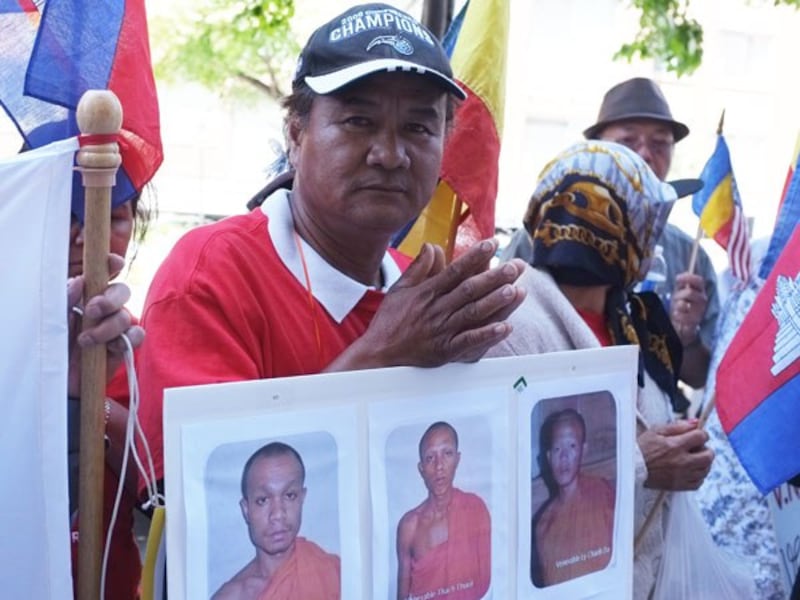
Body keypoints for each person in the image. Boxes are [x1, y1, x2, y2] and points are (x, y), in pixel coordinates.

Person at [137, 3, 526, 500]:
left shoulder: (428, 292)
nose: (390, 155)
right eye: (359, 120)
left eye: (419, 128)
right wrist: (385, 356)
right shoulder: (210, 273)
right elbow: (211, 504)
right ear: (296, 134)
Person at [488, 140, 715, 598]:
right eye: (650, 218)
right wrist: (639, 464)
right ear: (612, 227)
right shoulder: (508, 328)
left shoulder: (634, 320)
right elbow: (495, 485)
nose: (657, 236)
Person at [501, 76, 720, 397]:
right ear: (597, 146)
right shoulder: (538, 237)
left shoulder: (691, 256)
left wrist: (685, 336)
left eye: (660, 144)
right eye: (628, 142)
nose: (645, 155)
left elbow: (701, 377)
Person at [67, 189, 152, 600]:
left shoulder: (130, 343)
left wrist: (92, 406)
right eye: (66, 213)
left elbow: (155, 489)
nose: (85, 236)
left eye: (113, 216)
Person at [212, 442, 339, 600]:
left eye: (289, 495)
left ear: (302, 498)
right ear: (246, 510)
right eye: (263, 500)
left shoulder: (334, 573)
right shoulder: (232, 596)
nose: (278, 514)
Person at [396, 421, 490, 600]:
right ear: (421, 468)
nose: (439, 466)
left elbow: (491, 580)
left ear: (457, 459)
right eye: (430, 457)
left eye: (447, 454)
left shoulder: (475, 509)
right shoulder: (409, 526)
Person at [531, 409, 615, 587]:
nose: (564, 457)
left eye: (571, 446)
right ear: (548, 457)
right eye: (557, 449)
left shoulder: (602, 493)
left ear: (583, 450)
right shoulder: (543, 525)